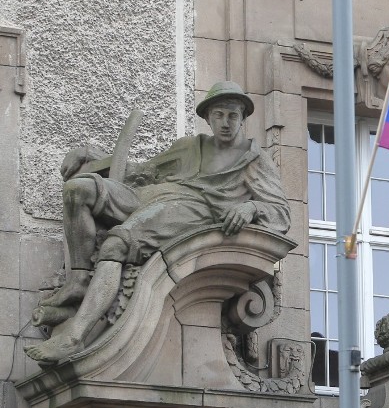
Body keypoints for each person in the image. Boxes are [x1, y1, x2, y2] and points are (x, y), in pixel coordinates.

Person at [25, 81, 291, 363]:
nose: (225, 122)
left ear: (243, 118)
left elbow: (281, 214)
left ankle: (74, 338)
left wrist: (251, 207)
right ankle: (79, 279)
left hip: (192, 210)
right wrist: (92, 154)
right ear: (207, 118)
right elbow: (140, 173)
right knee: (78, 190)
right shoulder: (190, 146)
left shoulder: (253, 159)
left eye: (232, 115)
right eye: (218, 115)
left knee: (116, 244)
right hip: (150, 196)